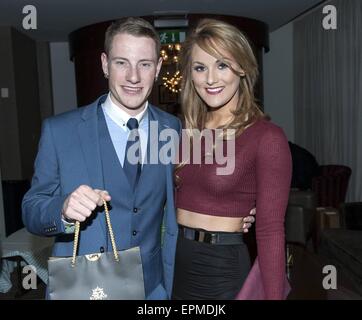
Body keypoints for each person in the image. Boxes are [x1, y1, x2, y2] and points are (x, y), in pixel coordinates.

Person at [21, 17, 255, 300]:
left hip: (154, 288)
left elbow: (196, 185)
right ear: (105, 64)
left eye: (144, 64)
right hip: (86, 288)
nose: (133, 77)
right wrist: (63, 209)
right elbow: (32, 209)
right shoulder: (60, 131)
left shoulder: (173, 129)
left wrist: (232, 211)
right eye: (122, 63)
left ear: (157, 69)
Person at [172, 19, 292, 300]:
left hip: (222, 268)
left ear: (242, 68)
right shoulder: (185, 131)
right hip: (176, 261)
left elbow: (271, 229)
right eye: (200, 68)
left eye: (222, 65)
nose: (211, 78)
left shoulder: (266, 137)